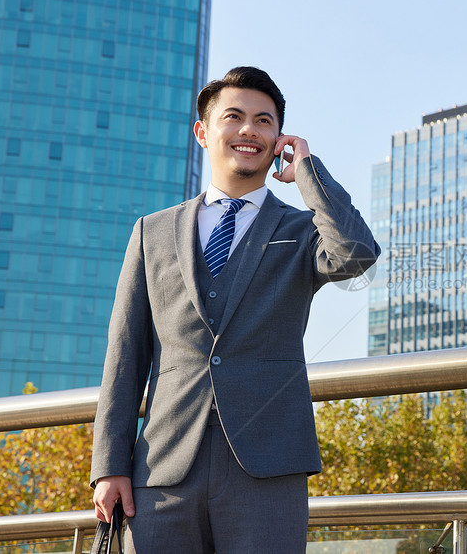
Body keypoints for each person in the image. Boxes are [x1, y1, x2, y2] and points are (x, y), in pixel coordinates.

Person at [90, 66, 380, 553]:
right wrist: (109, 466)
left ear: (278, 140)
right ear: (204, 132)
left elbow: (355, 253)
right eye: (235, 116)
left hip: (268, 467)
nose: (250, 130)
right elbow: (125, 357)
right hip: (161, 470)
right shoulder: (152, 232)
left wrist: (308, 172)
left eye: (265, 121)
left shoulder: (302, 229)